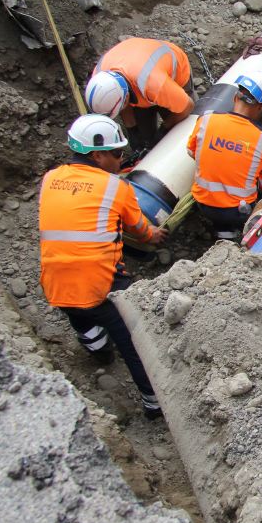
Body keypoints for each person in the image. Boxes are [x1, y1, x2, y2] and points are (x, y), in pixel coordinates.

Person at [39, 114, 168, 418]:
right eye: (117, 153)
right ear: (96, 155)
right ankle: (154, 404)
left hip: (55, 282)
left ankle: (97, 350)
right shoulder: (115, 187)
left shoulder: (50, 179)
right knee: (134, 344)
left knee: (79, 314)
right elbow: (139, 229)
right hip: (101, 286)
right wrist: (156, 235)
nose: (121, 160)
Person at [186, 72, 262, 239]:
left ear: (235, 97)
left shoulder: (206, 119)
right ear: (260, 108)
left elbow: (192, 152)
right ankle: (234, 233)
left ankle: (220, 230)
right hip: (237, 211)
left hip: (203, 203)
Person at [84, 37, 196, 149]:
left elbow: (187, 107)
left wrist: (164, 129)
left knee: (185, 129)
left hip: (173, 76)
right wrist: (133, 131)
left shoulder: (155, 84)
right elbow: (122, 106)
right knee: (145, 137)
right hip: (138, 78)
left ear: (127, 97)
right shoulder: (100, 80)